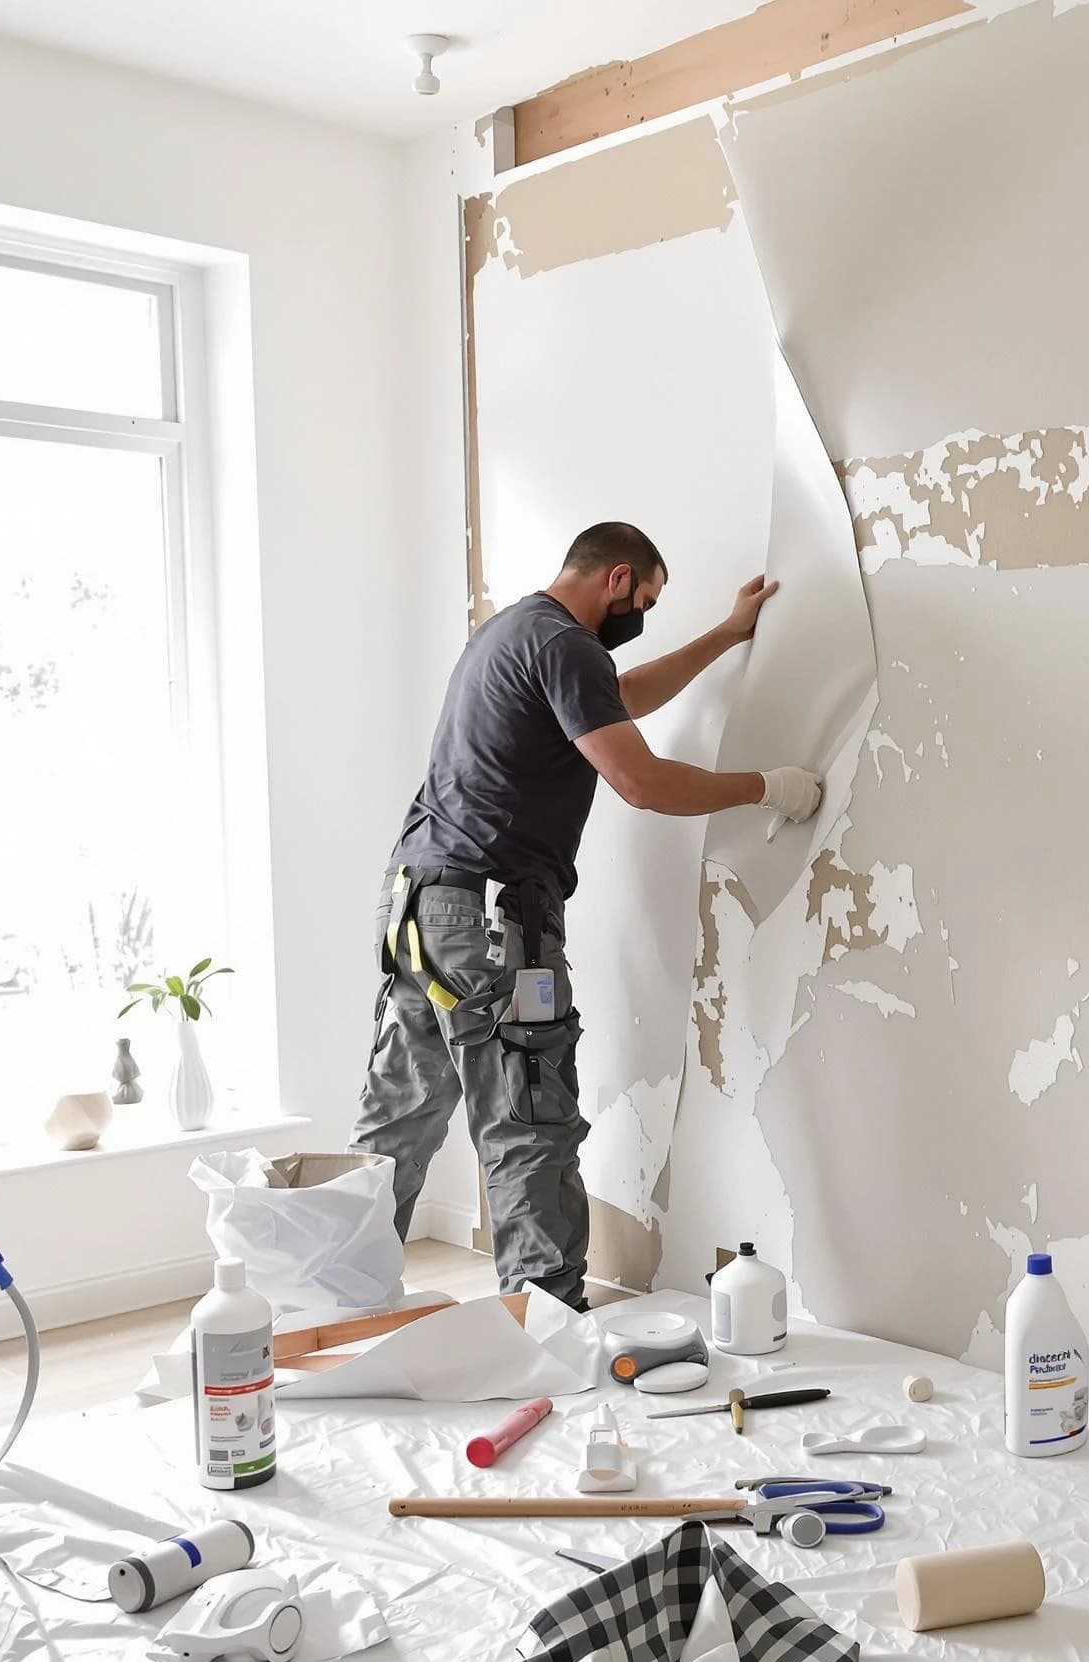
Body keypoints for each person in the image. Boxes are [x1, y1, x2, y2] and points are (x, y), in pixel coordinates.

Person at [352, 521, 821, 1306]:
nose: (642, 615)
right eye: (644, 599)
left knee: (396, 1124)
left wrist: (726, 635)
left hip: (419, 914)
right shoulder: (565, 646)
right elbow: (641, 783)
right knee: (528, 1126)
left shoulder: (510, 633)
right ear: (617, 578)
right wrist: (767, 786)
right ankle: (548, 1330)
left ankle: (337, 1304)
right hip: (496, 926)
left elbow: (621, 697)